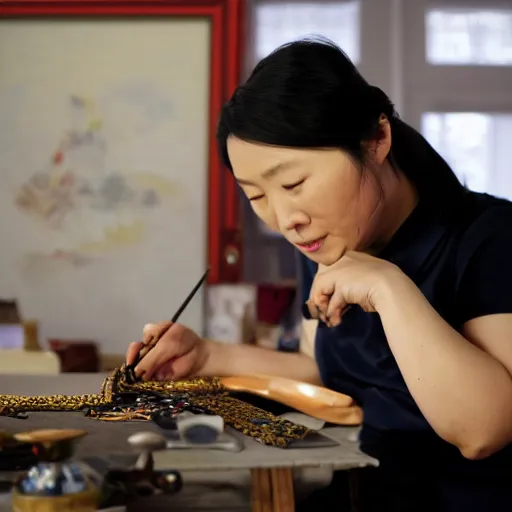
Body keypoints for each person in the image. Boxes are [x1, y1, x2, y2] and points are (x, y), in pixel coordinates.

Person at [126, 38, 512, 511]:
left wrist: (389, 286)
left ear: (376, 141)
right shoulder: (327, 238)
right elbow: (339, 375)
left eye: (294, 183)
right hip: (364, 490)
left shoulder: (491, 239)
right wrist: (207, 356)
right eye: (256, 195)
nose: (285, 218)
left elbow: (483, 429)